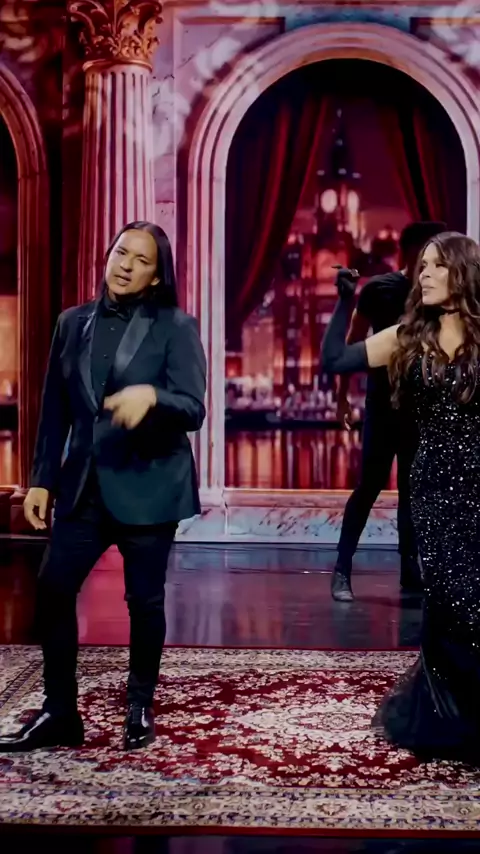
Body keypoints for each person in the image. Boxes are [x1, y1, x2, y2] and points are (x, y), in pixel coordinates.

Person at [0, 221, 206, 753]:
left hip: (149, 485)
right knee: (52, 588)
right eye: (121, 252)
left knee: (145, 601)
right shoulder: (72, 323)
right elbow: (55, 409)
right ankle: (59, 713)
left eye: (141, 260)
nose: (125, 265)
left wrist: (152, 398)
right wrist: (41, 480)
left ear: (156, 276)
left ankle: (139, 706)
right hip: (84, 487)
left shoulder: (176, 326)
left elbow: (193, 407)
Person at [322, 231, 480, 761]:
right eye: (422, 266)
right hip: (432, 487)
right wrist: (344, 303)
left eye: (437, 266)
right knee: (450, 599)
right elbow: (335, 360)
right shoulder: (407, 336)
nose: (424, 274)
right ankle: (448, 718)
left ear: (463, 272)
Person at [332, 222, 446, 602]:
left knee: (414, 490)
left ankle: (410, 570)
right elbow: (351, 343)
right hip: (382, 406)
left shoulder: (439, 297)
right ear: (410, 253)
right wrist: (342, 398)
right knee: (369, 485)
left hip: (421, 410)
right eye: (427, 254)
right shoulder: (379, 289)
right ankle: (342, 569)